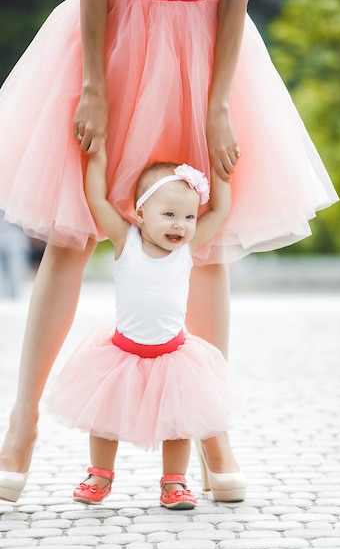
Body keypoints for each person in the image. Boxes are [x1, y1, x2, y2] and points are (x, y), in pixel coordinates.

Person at [0, 0, 338, 503]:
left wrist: (219, 105)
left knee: (205, 248)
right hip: (110, 38)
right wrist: (92, 86)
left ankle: (212, 429)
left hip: (200, 53)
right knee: (71, 238)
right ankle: (21, 424)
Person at [47, 157, 243, 508]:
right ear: (139, 214)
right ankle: (100, 474)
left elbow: (221, 211)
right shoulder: (126, 240)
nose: (180, 225)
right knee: (105, 417)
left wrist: (220, 175)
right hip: (122, 353)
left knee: (178, 422)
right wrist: (97, 157)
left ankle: (174, 482)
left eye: (188, 217)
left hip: (172, 355)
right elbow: (97, 201)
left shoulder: (186, 249)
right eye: (168, 214)